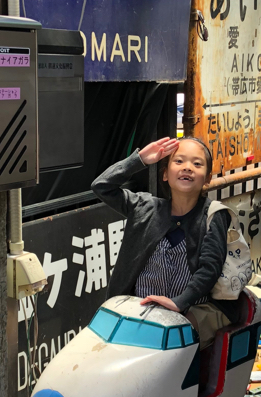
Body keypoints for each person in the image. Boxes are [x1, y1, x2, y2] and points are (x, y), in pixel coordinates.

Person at [91, 136, 240, 348]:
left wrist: (178, 303)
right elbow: (101, 186)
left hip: (192, 309)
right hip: (139, 309)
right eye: (178, 161)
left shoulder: (214, 215)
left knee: (173, 338)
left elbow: (210, 268)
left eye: (197, 164)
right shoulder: (144, 207)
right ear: (164, 174)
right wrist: (139, 160)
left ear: (207, 178)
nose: (187, 167)